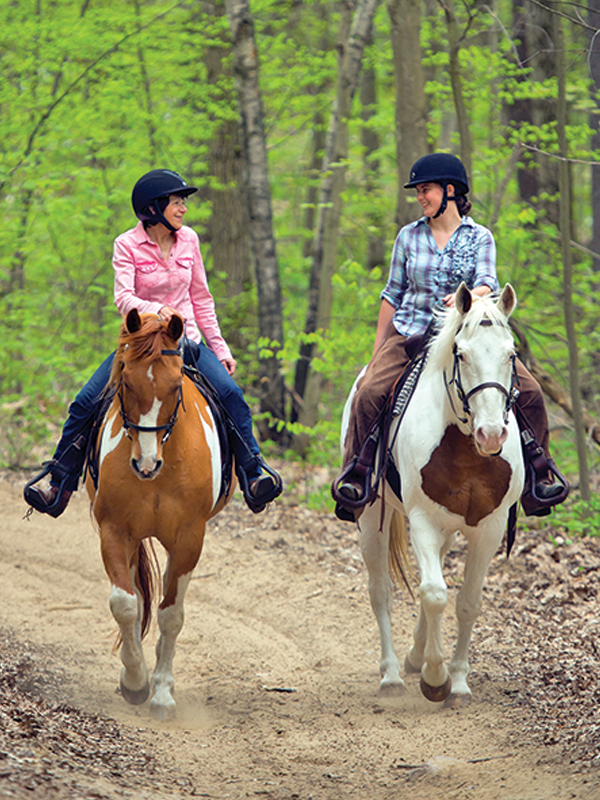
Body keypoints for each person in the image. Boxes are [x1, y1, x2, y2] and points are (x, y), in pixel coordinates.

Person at [24, 169, 282, 517]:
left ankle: (253, 473)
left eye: (183, 203)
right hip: (139, 346)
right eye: (177, 202)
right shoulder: (126, 245)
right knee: (85, 402)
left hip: (183, 343)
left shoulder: (189, 240)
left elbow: (202, 299)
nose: (183, 209)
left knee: (232, 395)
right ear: (154, 208)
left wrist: (220, 349)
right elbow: (123, 298)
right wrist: (157, 310)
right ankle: (58, 480)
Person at [332, 152, 565, 517]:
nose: (419, 197)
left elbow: (488, 281)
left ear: (450, 191)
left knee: (531, 393)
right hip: (410, 332)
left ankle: (539, 476)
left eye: (425, 190)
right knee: (370, 393)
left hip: (466, 335)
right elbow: (392, 294)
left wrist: (470, 299)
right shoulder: (408, 237)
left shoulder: (480, 237)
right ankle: (357, 476)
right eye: (418, 191)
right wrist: (379, 349)